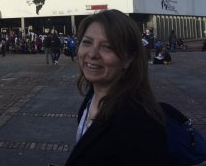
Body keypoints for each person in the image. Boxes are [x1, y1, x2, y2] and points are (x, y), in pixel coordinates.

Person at [65, 9, 167, 166]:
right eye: (87, 42)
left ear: (129, 59)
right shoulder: (92, 97)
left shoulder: (138, 122)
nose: (92, 54)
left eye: (107, 47)